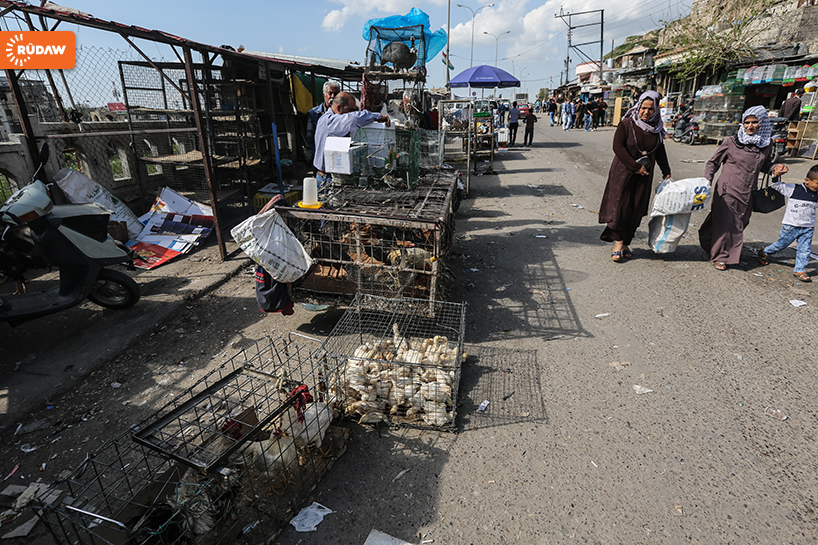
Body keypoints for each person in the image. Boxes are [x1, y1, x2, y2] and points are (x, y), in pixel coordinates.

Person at [698, 106, 788, 270]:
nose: (750, 126)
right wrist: (706, 181)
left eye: (754, 122)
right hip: (727, 190)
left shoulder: (766, 144)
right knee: (727, 223)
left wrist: (775, 168)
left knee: (740, 221)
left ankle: (708, 241)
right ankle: (721, 256)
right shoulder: (731, 142)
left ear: (762, 123)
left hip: (748, 192)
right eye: (747, 122)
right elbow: (713, 163)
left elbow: (765, 164)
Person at [598, 90, 672, 262]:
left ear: (656, 110)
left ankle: (626, 243)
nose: (646, 112)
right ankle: (618, 242)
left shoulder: (656, 129)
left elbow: (660, 152)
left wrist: (666, 171)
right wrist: (635, 166)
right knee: (620, 207)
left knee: (636, 209)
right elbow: (618, 147)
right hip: (623, 173)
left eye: (650, 109)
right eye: (643, 108)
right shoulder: (627, 124)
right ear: (638, 107)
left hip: (644, 175)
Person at [757, 164, 818, 282]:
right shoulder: (794, 189)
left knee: (805, 250)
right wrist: (775, 176)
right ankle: (764, 252)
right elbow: (776, 186)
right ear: (807, 180)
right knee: (781, 245)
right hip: (791, 226)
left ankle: (800, 270)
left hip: (808, 228)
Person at [313, 92, 391, 182]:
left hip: (325, 175)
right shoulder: (330, 120)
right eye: (350, 110)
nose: (352, 113)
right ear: (338, 108)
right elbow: (354, 118)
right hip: (327, 178)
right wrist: (378, 116)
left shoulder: (324, 118)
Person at [305, 80, 340, 170]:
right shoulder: (314, 113)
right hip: (320, 157)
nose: (333, 96)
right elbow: (309, 137)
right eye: (330, 93)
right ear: (324, 95)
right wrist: (310, 156)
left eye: (336, 94)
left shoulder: (343, 113)